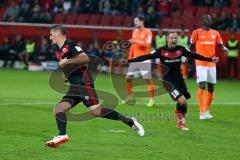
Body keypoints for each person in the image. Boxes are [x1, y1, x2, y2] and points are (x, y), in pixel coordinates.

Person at [46, 24, 144, 147]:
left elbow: (85, 58)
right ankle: (62, 135)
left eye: (51, 34)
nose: (50, 38)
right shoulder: (58, 50)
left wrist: (68, 61)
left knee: (96, 111)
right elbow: (65, 65)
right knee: (59, 109)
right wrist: (64, 74)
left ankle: (130, 122)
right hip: (74, 85)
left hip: (83, 82)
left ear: (58, 33)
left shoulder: (70, 45)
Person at [127, 31, 219, 130]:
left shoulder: (181, 49)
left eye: (175, 38)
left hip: (179, 79)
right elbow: (146, 56)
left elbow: (194, 55)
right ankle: (181, 122)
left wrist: (210, 60)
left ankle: (178, 112)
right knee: (182, 100)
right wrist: (130, 61)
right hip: (167, 80)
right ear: (168, 39)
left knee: (183, 103)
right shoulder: (161, 51)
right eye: (172, 38)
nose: (174, 40)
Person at [189, 14, 228, 120]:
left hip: (212, 63)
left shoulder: (215, 33)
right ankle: (202, 111)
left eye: (211, 19)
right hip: (201, 63)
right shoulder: (196, 32)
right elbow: (191, 46)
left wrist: (224, 48)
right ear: (202, 21)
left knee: (211, 88)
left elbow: (220, 45)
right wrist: (189, 57)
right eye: (207, 19)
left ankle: (206, 110)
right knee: (202, 85)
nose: (209, 21)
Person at [123, 16, 155, 107]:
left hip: (144, 59)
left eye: (136, 21)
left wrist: (136, 41)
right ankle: (129, 97)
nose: (135, 23)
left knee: (147, 80)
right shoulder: (135, 31)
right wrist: (130, 58)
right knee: (128, 77)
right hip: (135, 59)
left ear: (142, 22)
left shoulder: (148, 32)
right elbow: (133, 46)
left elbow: (147, 44)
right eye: (134, 21)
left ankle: (151, 100)